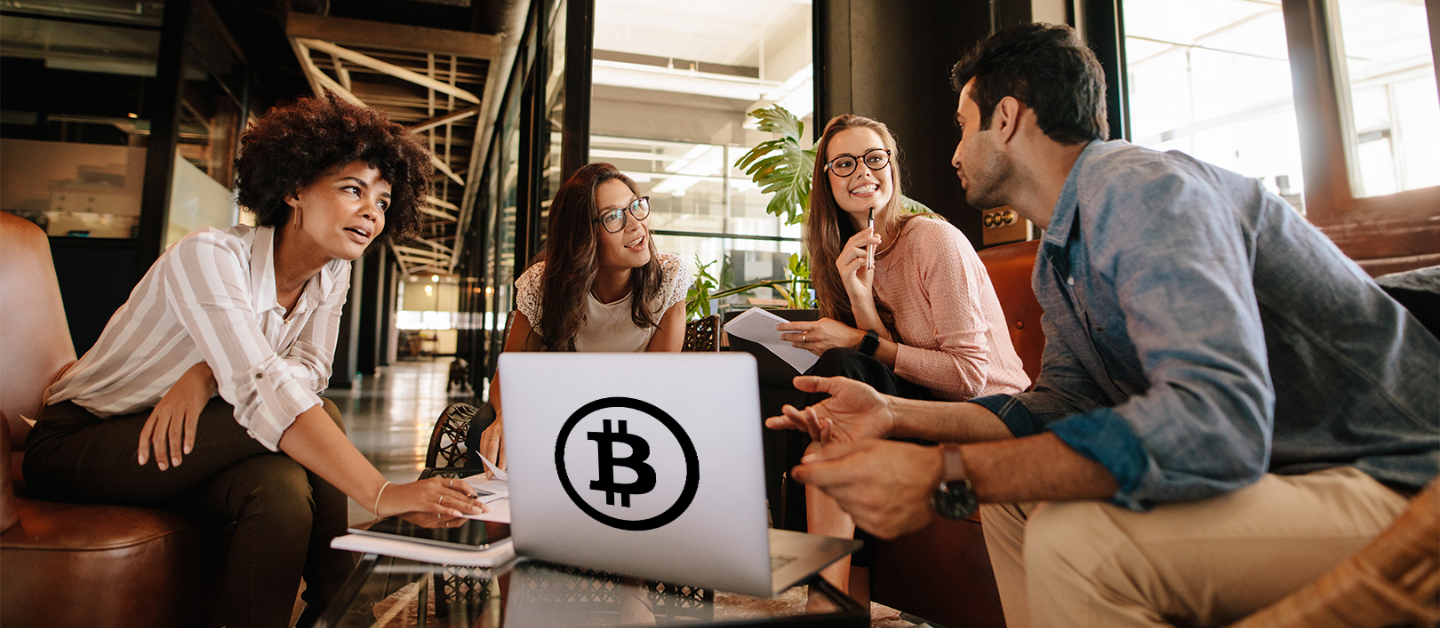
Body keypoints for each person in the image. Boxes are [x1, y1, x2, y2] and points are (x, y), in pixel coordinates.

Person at [767, 23, 1439, 628]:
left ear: (1006, 119)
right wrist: (889, 412)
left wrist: (947, 474)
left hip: (1395, 477)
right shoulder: (1065, 249)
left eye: (962, 126)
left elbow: (1215, 421)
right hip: (1291, 471)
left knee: (1079, 544)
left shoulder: (1140, 188)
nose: (952, 155)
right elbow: (1055, 407)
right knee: (1014, 502)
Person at [24, 94, 487, 628]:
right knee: (324, 417)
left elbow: (311, 368)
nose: (371, 212)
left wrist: (204, 375)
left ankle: (323, 613)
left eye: (383, 201)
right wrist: (382, 494)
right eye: (352, 190)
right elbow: (262, 384)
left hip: (190, 438)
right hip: (83, 442)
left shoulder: (332, 273)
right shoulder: (210, 255)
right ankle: (343, 602)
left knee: (282, 492)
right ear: (293, 189)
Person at [771, 114, 1030, 600]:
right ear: (825, 180)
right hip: (917, 405)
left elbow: (969, 378)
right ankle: (839, 596)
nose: (863, 172)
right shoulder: (845, 257)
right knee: (827, 402)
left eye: (874, 158)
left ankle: (826, 601)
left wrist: (855, 339)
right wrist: (860, 298)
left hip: (985, 414)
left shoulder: (934, 240)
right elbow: (881, 364)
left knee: (841, 377)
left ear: (891, 166)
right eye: (844, 164)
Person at [467, 162, 693, 469]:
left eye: (636, 207)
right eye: (613, 216)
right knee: (484, 423)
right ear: (582, 235)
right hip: (553, 407)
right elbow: (508, 373)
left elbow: (657, 382)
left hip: (630, 410)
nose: (635, 225)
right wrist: (508, 417)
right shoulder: (543, 284)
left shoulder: (667, 277)